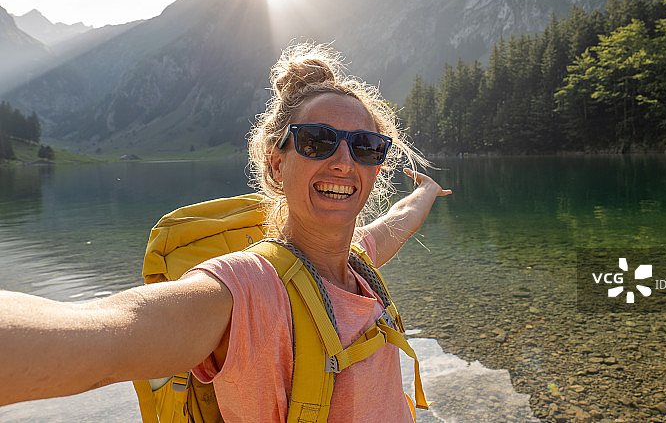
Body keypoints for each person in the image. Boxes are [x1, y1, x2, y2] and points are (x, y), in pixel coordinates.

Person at [0, 43, 451, 421]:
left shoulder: (357, 260)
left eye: (365, 147)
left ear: (377, 168)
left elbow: (396, 224)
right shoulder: (244, 290)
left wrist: (426, 192)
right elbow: (107, 334)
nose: (343, 161)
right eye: (318, 140)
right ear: (277, 163)